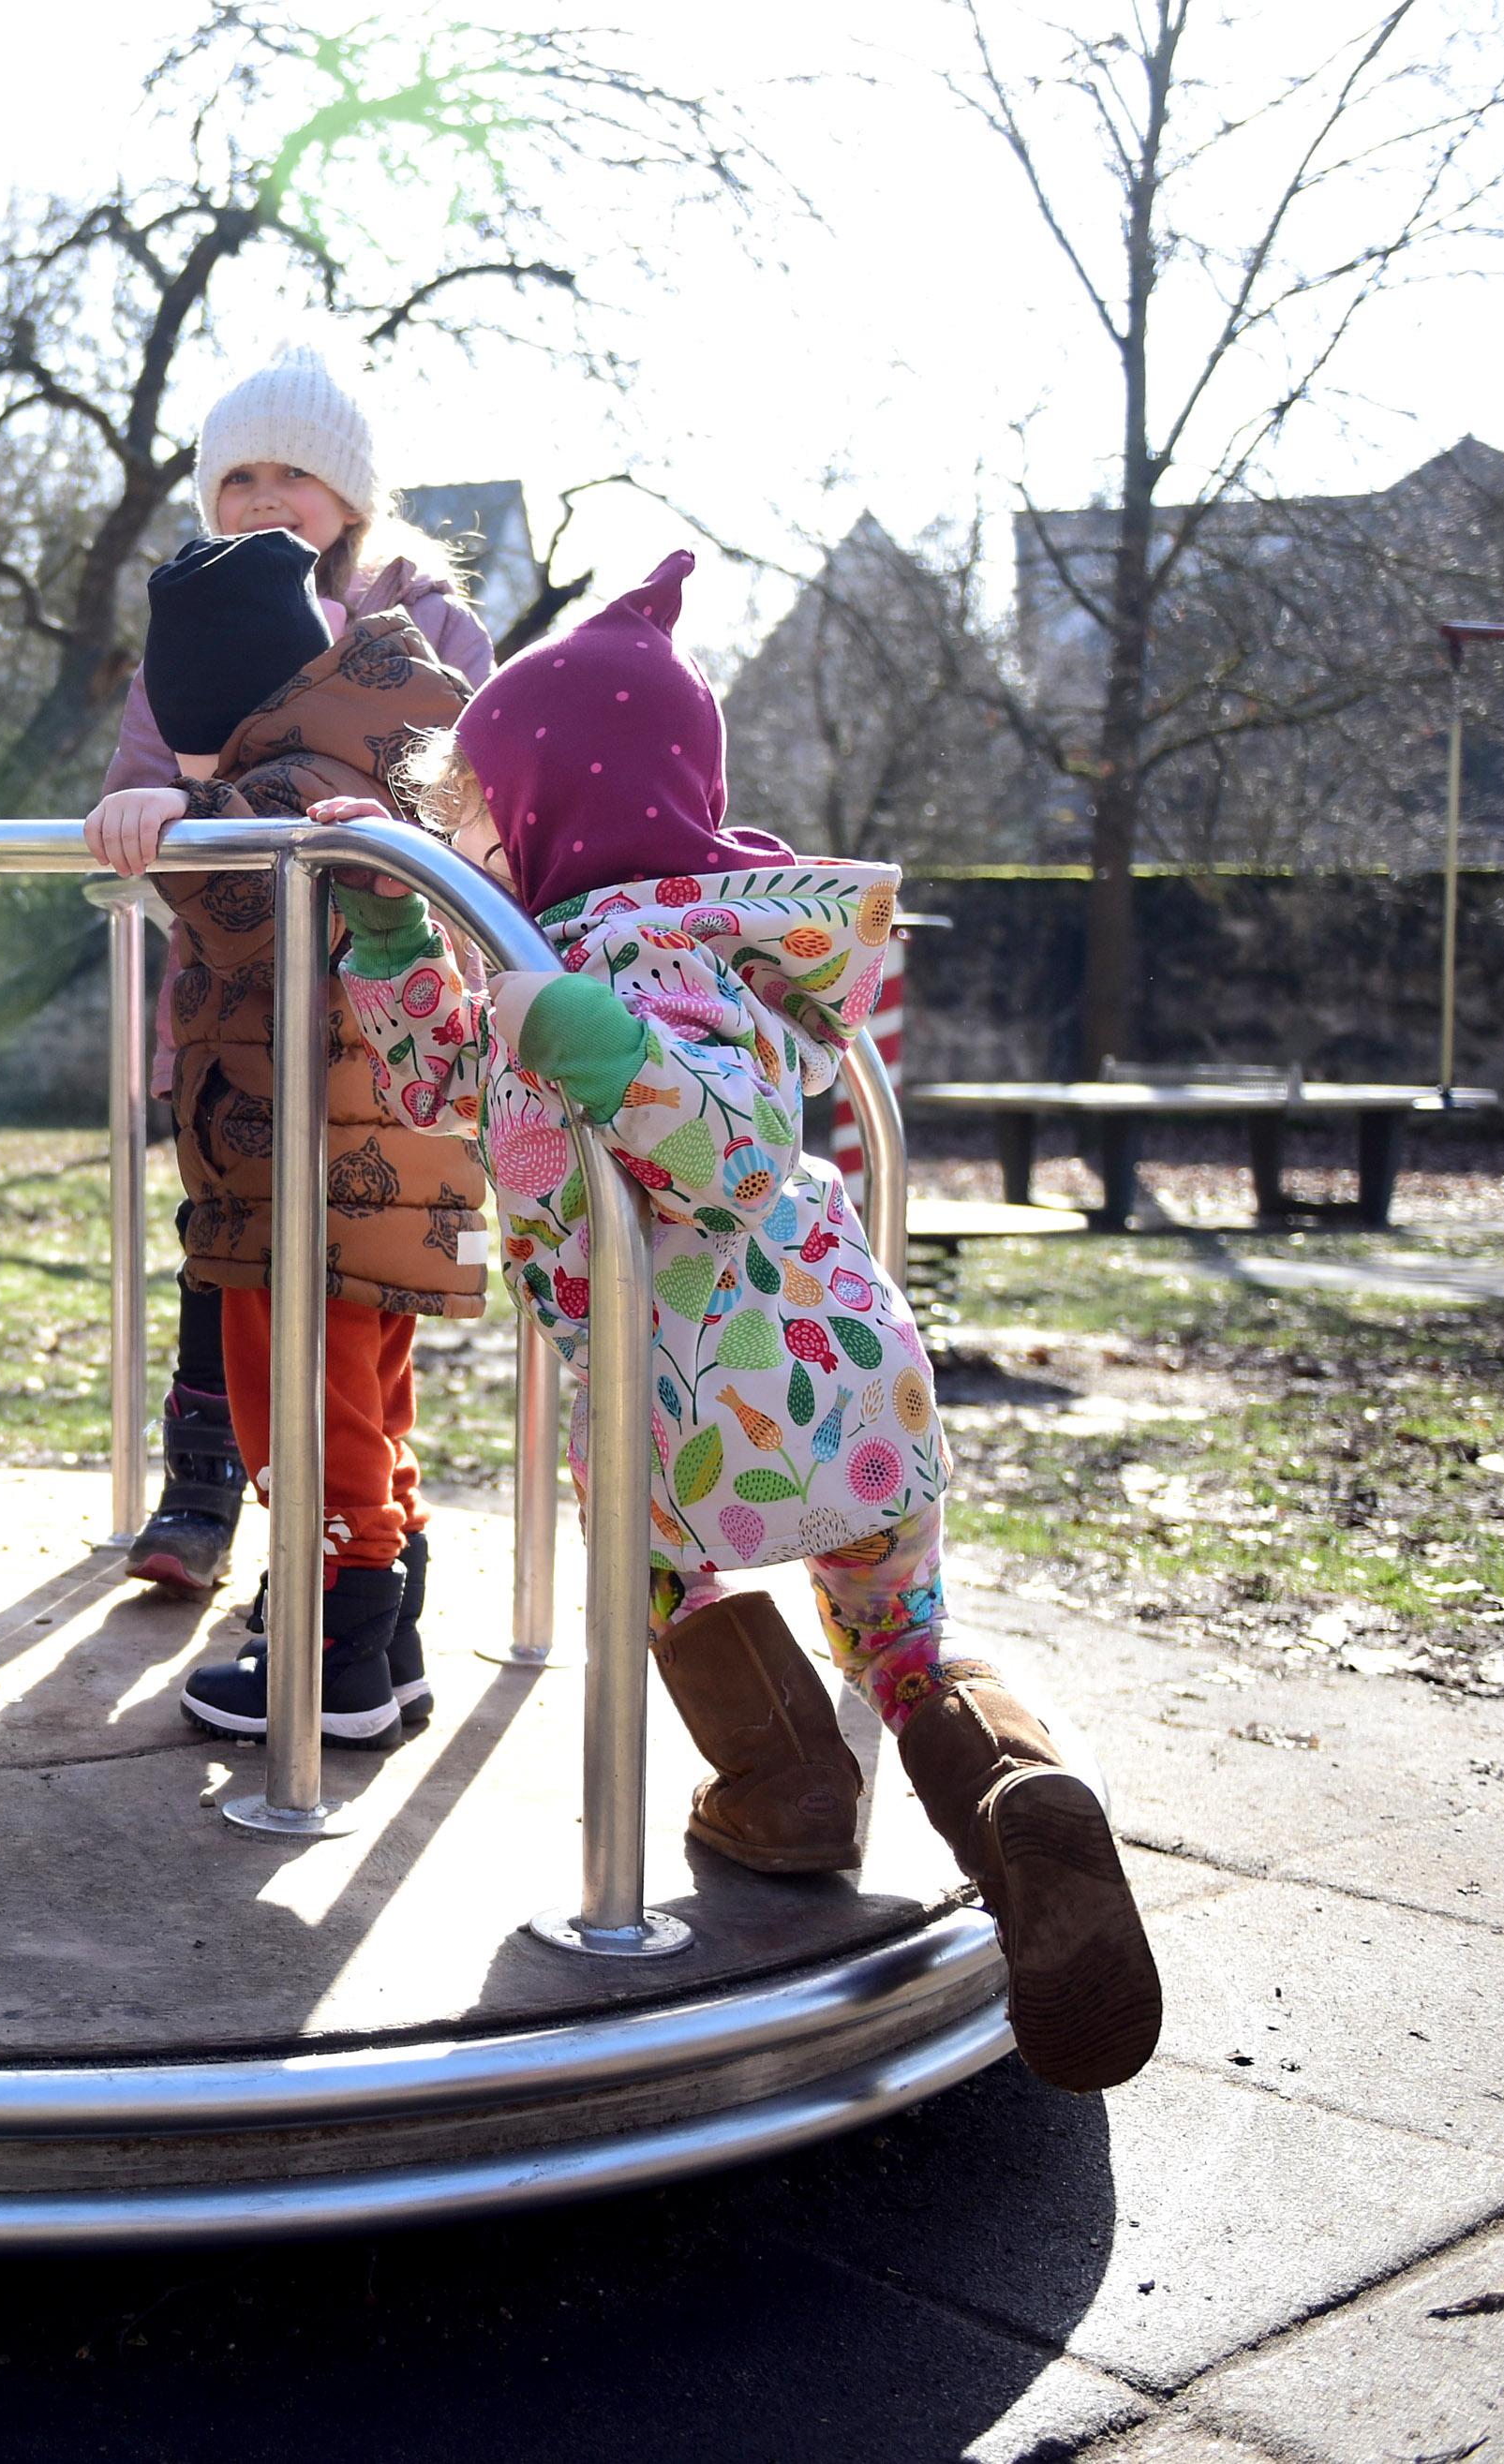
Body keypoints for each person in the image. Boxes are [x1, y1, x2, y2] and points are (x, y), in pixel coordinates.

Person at [326, 549, 1162, 2095]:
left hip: (688, 1401)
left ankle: (782, 1786)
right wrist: (392, 934)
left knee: (661, 1575)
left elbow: (718, 1149)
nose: (476, 854)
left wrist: (576, 1030)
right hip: (858, 1379)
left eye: (482, 825)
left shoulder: (637, 957)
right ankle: (1013, 1790)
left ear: (560, 809)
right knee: (901, 1642)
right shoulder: (643, 950)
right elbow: (449, 1083)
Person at [103, 342, 497, 1621]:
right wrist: (158, 808)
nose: (266, 498)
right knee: (226, 1260)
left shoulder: (421, 624)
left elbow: (468, 794)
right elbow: (138, 784)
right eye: (240, 478)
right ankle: (207, 1485)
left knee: (364, 1288)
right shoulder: (196, 606)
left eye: (298, 478)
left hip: (388, 1025)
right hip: (236, 1019)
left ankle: (360, 1562)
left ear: (354, 501)